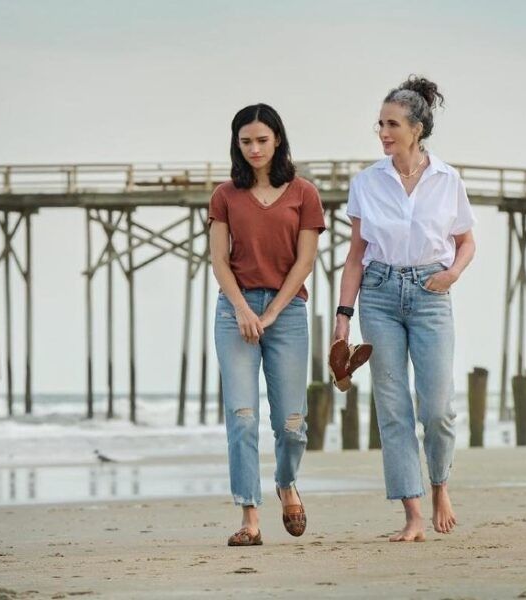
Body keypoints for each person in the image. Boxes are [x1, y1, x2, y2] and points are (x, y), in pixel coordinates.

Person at [333, 76, 476, 542]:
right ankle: (412, 514)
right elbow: (355, 256)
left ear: (417, 128)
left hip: (431, 293)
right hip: (378, 292)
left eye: (392, 124)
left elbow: (467, 242)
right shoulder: (367, 183)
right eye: (380, 124)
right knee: (392, 408)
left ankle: (440, 486)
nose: (383, 132)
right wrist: (342, 318)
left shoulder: (447, 179)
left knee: (436, 407)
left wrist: (452, 275)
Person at [208, 103, 325, 546]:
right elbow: (219, 259)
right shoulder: (225, 195)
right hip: (234, 309)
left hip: (287, 311)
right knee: (241, 417)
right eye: (245, 141)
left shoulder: (303, 193)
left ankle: (286, 482)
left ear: (277, 139)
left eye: (261, 139)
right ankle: (249, 517)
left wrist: (272, 311)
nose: (254, 148)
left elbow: (306, 259)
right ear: (236, 145)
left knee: (292, 424)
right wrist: (241, 308)